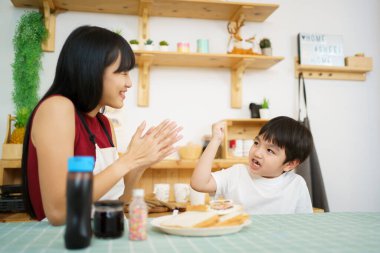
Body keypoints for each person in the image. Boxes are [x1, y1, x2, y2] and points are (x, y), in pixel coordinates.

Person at [21, 26, 182, 226]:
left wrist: (139, 164)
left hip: (104, 232)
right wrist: (128, 160)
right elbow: (59, 211)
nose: (129, 83)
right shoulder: (57, 109)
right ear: (92, 69)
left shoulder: (104, 123)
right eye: (122, 72)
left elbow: (119, 201)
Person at [191, 116, 314, 214]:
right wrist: (216, 139)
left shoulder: (296, 184)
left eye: (270, 150)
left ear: (290, 164)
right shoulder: (236, 174)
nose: (257, 152)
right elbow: (199, 183)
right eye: (256, 143)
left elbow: (304, 223)